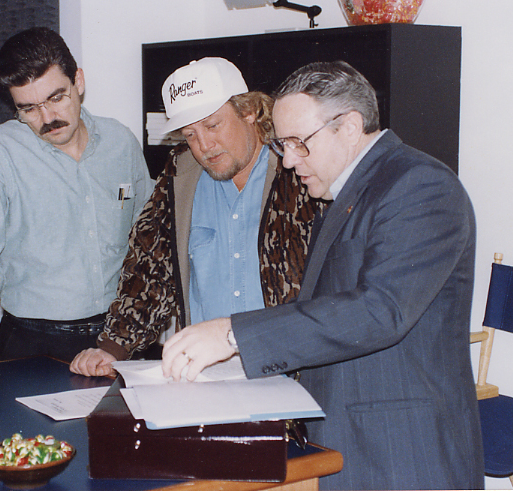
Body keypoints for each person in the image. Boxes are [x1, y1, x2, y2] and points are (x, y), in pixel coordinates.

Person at [161, 61, 484, 490]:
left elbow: (379, 311)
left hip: (403, 452)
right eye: (283, 146)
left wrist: (233, 334)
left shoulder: (419, 185)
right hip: (351, 440)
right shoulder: (345, 194)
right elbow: (322, 307)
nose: (289, 161)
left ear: (349, 127)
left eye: (299, 143)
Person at [0, 27, 153, 402]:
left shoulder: (120, 142)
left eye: (56, 98)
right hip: (34, 344)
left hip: (118, 338)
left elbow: (148, 241)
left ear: (78, 81)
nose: (47, 117)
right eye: (28, 108)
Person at [70, 57, 317, 377]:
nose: (204, 146)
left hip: (289, 372)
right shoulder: (180, 176)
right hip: (204, 376)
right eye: (190, 134)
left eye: (213, 125)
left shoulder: (299, 172)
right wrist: (113, 347)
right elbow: (151, 268)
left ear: (249, 111)